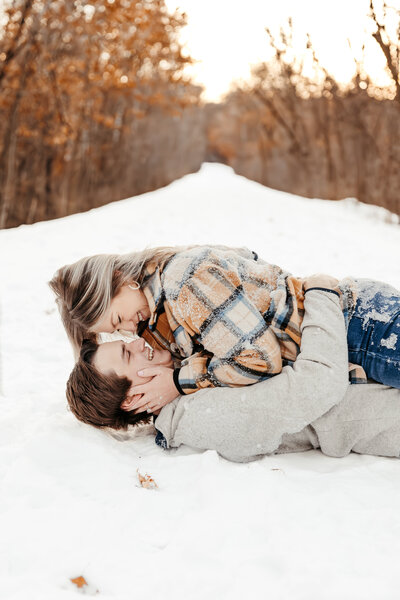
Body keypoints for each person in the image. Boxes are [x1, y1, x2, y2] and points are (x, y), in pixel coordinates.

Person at [50, 245, 400, 417]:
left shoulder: (182, 283)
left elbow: (261, 359)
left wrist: (176, 382)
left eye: (118, 319)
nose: (130, 330)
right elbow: (249, 257)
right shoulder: (161, 306)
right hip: (348, 332)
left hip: (362, 327)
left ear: (120, 281)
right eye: (120, 332)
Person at [66, 288, 400, 461]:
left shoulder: (184, 385)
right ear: (133, 399)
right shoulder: (202, 417)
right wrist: (322, 296)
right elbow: (316, 385)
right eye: (127, 354)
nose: (138, 343)